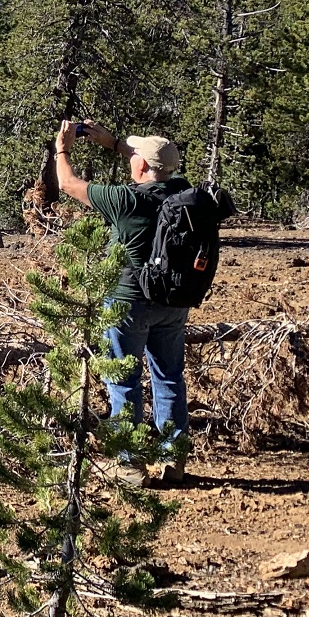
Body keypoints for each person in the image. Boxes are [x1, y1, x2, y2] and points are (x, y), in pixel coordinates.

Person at [53, 119, 192, 477]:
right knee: (169, 377)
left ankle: (130, 464)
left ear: (141, 164)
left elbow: (68, 183)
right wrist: (115, 144)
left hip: (127, 302)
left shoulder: (125, 200)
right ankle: (173, 458)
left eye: (135, 155)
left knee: (123, 380)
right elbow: (154, 164)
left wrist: (62, 149)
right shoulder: (183, 192)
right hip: (173, 301)